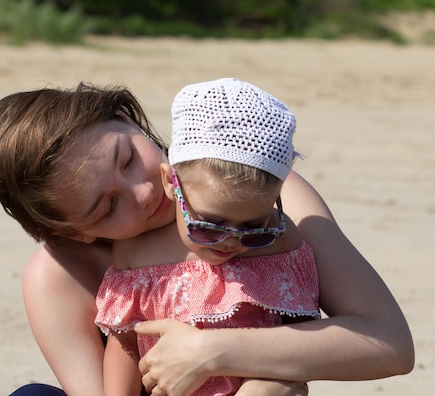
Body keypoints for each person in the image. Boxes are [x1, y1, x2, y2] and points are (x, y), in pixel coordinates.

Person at [0, 81, 414, 396]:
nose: (146, 192)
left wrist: (216, 351)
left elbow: (389, 344)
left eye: (128, 159)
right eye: (108, 206)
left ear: (127, 118)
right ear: (72, 232)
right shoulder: (57, 277)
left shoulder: (255, 191)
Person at [96, 78, 321, 395]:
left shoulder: (282, 243)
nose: (231, 241)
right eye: (209, 226)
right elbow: (125, 343)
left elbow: (304, 340)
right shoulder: (136, 254)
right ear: (172, 184)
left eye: (256, 229)